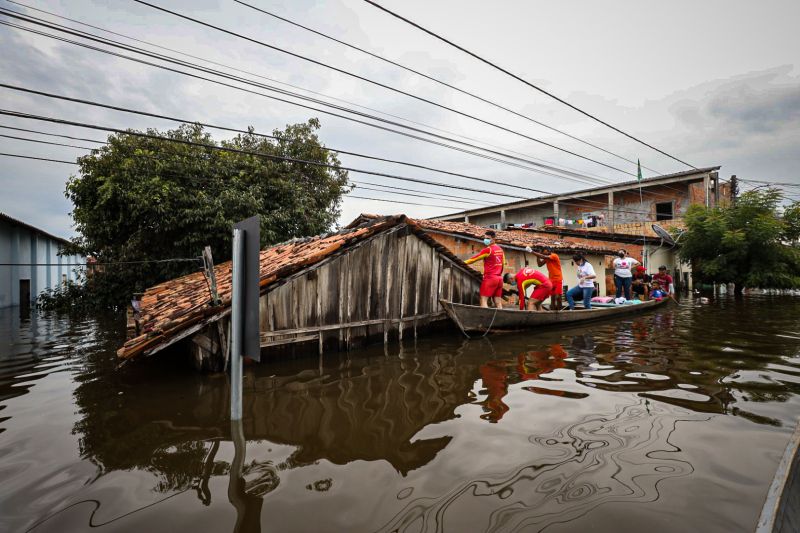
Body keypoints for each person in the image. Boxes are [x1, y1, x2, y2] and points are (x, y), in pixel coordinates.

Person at [464, 230, 505, 308]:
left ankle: (484, 319)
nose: (485, 240)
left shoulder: (488, 250)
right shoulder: (500, 249)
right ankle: (500, 318)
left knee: (483, 300)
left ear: (493, 239)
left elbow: (473, 259)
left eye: (488, 238)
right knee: (498, 301)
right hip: (499, 279)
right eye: (485, 238)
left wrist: (462, 263)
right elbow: (503, 264)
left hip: (490, 278)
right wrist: (499, 274)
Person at [527, 246, 563, 311]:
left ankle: (560, 312)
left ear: (549, 251)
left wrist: (532, 252)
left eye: (545, 252)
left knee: (558, 297)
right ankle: (553, 311)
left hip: (558, 279)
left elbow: (543, 256)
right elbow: (539, 264)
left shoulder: (554, 255)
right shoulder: (546, 258)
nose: (544, 253)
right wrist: (537, 256)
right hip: (551, 280)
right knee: (553, 297)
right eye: (543, 252)